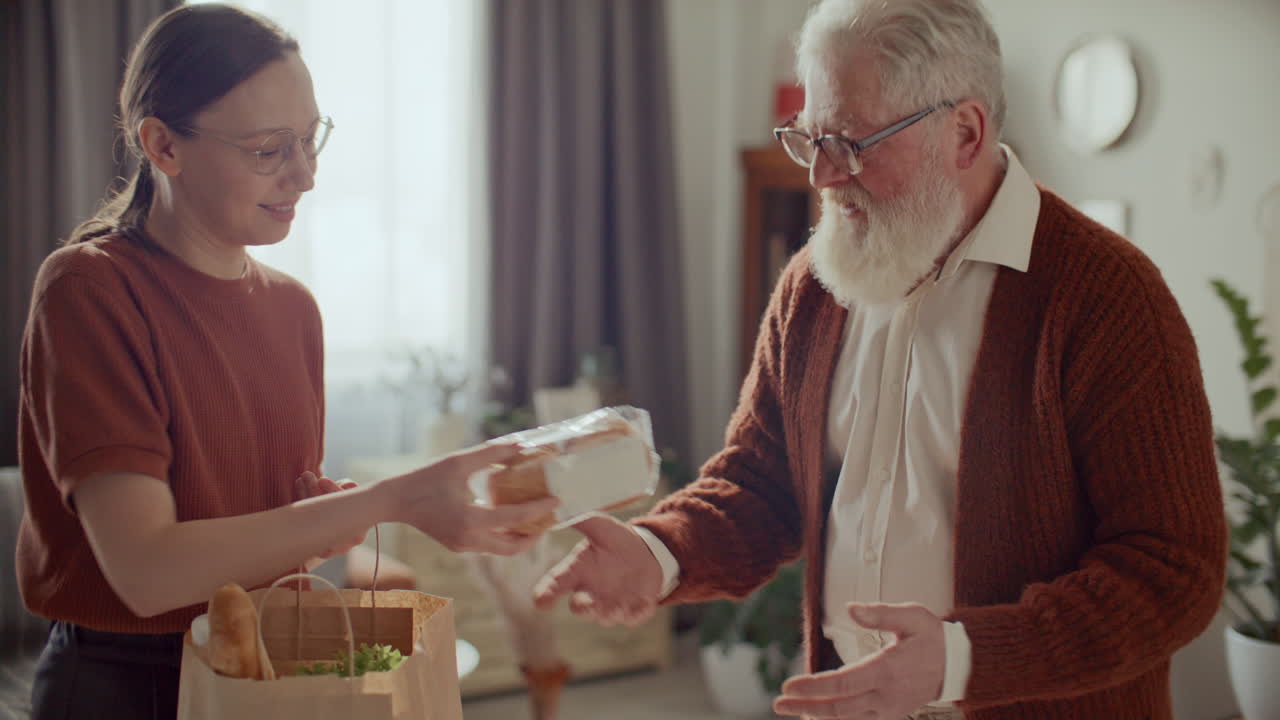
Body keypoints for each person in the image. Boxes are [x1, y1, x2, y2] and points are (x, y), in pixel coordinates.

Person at [533, 1, 1226, 718]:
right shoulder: (815, 283)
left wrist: (963, 660)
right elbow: (762, 483)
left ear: (964, 133)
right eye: (812, 141)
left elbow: (1173, 571)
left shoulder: (1106, 297)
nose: (824, 177)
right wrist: (661, 552)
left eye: (853, 143)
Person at [14, 5, 556, 719]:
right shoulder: (90, 288)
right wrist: (384, 502)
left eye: (310, 140)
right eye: (269, 150)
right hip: (129, 685)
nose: (303, 176)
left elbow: (251, 525)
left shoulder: (294, 309)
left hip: (266, 669)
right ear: (162, 145)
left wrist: (314, 517)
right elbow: (146, 571)